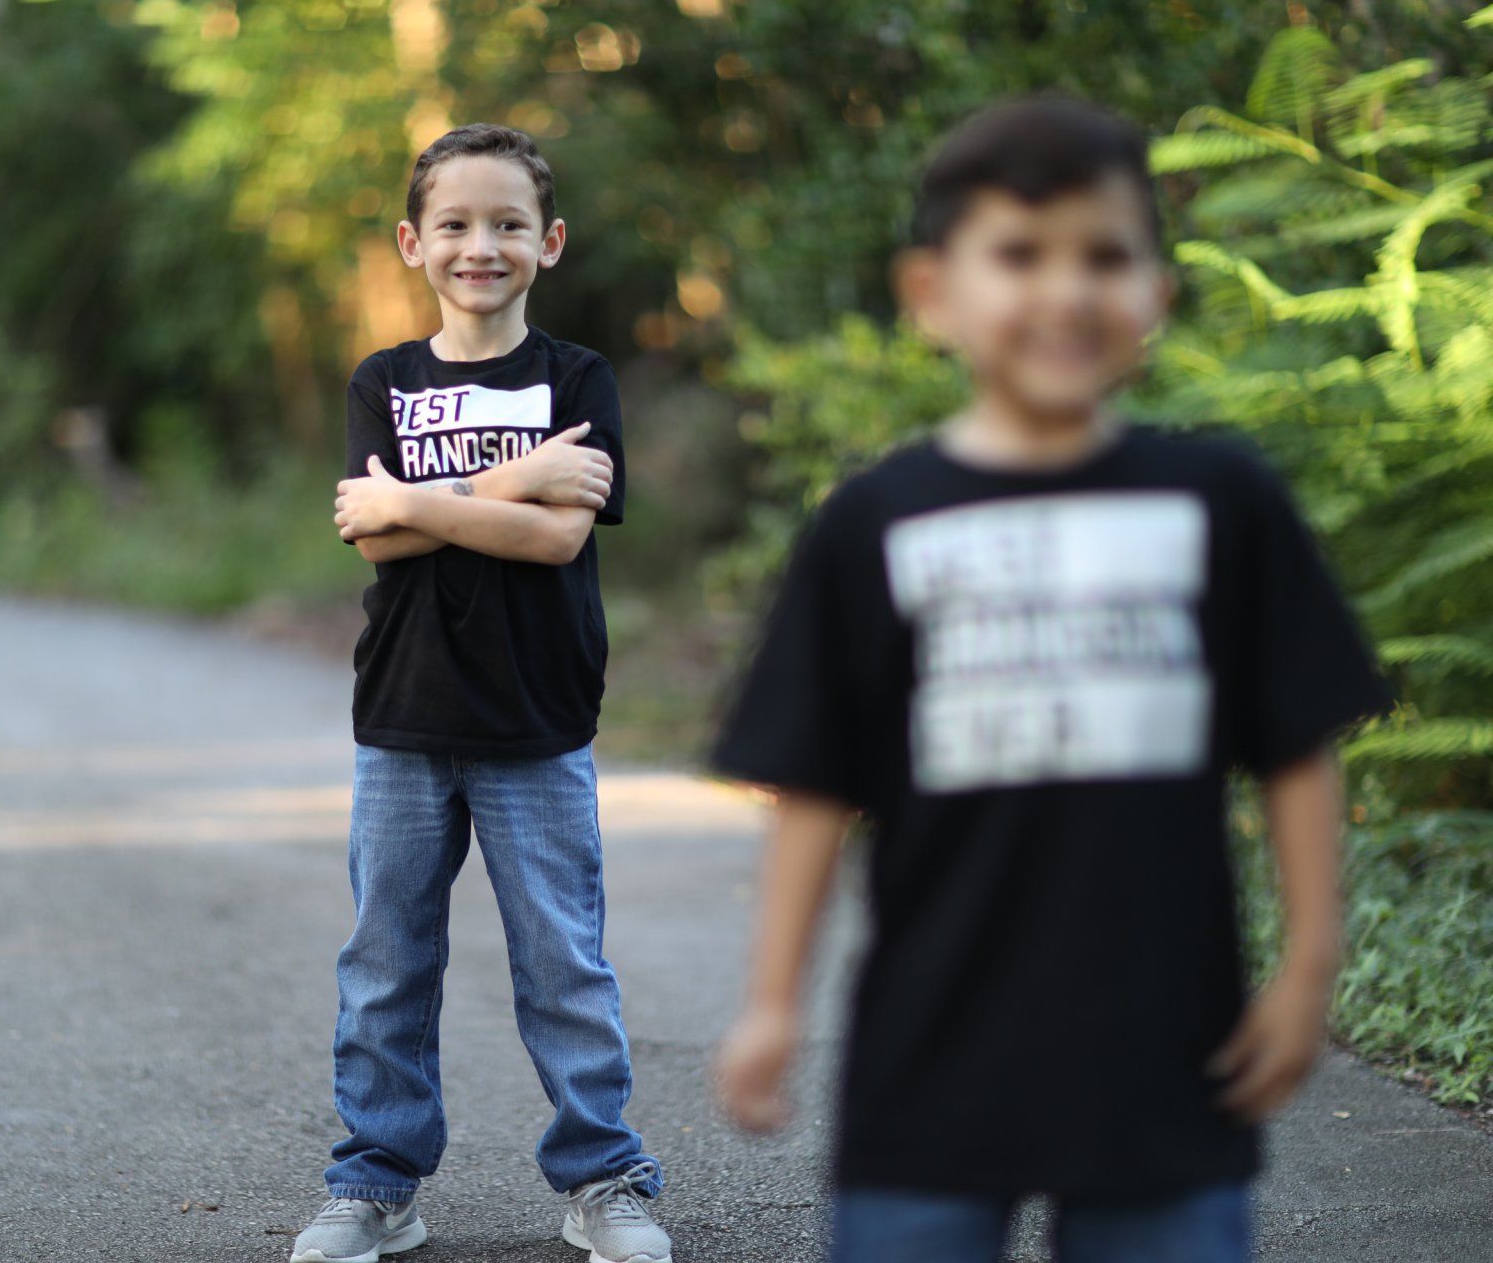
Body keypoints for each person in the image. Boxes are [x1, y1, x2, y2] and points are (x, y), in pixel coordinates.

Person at [708, 95, 1394, 1263]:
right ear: (931, 294)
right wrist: (774, 1000)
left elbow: (1295, 744)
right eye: (1020, 255)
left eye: (1107, 256)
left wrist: (1309, 964)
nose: (1067, 292)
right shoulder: (871, 524)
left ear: (1156, 297)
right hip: (932, 1062)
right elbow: (814, 783)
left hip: (1169, 1062)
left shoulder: (1223, 502)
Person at [292, 123, 670, 1263]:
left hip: (537, 721)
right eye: (454, 223)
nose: (480, 244)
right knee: (386, 963)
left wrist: (418, 501)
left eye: (507, 223)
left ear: (547, 242)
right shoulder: (385, 381)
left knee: (564, 963)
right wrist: (516, 476)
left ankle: (606, 1176)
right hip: (403, 717)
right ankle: (375, 1182)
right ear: (414, 242)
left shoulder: (577, 377)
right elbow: (372, 537)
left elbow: (555, 541)